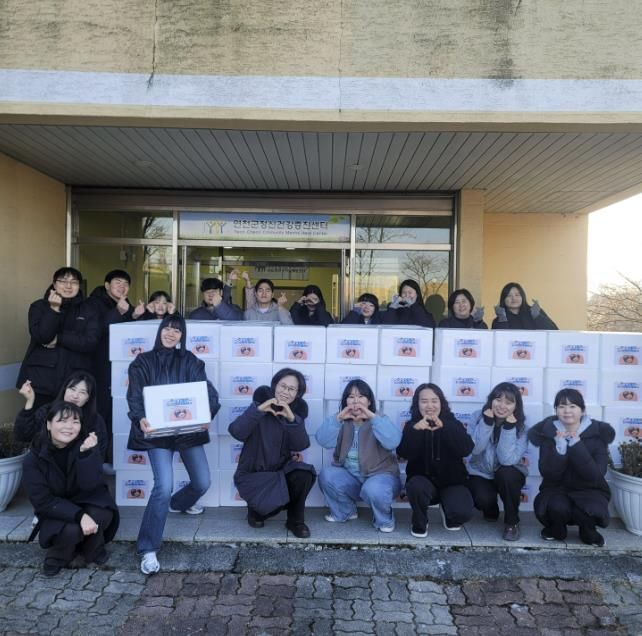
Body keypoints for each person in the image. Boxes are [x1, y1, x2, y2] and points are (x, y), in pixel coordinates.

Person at [126, 313, 220, 575]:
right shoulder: (142, 362)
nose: (170, 333)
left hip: (187, 430)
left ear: (182, 335)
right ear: (159, 331)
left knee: (202, 482)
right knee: (163, 485)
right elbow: (134, 396)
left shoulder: (191, 360)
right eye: (166, 328)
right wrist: (140, 417)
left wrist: (207, 414)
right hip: (157, 432)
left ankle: (178, 503)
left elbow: (207, 392)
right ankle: (148, 548)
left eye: (176, 330)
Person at [22, 401, 119, 576]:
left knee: (101, 513)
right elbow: (43, 501)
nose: (69, 426)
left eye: (75, 421)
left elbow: (91, 486)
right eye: (62, 421)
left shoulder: (85, 445)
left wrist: (86, 454)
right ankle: (58, 556)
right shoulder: (33, 459)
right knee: (71, 529)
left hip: (85, 500)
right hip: (55, 509)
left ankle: (91, 549)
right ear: (49, 424)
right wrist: (80, 516)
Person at [228, 368, 315, 538]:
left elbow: (301, 445)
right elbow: (236, 432)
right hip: (255, 477)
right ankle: (255, 510)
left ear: (297, 394)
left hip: (280, 473)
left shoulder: (295, 415)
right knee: (261, 516)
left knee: (303, 474)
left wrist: (292, 419)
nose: (285, 392)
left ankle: (295, 521)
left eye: (291, 389)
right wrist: (260, 410)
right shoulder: (257, 407)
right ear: (275, 386)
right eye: (283, 386)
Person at [528, 389, 615, 547]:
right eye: (561, 406)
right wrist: (560, 448)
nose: (567, 411)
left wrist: (576, 445)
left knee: (590, 508)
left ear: (582, 410)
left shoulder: (598, 435)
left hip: (590, 489)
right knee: (555, 506)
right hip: (557, 488)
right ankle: (556, 529)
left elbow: (596, 475)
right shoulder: (549, 435)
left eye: (572, 406)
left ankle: (588, 530)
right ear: (556, 410)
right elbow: (547, 473)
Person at [316, 380, 401, 532]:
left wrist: (372, 417)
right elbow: (322, 440)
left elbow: (393, 442)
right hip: (352, 478)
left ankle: (384, 521)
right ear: (345, 401)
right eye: (351, 397)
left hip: (380, 477)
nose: (356, 401)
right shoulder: (341, 421)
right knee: (327, 474)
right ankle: (346, 511)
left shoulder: (380, 419)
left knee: (374, 489)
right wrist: (338, 419)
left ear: (369, 401)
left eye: (361, 396)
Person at [397, 383, 475, 537]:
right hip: (423, 484)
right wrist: (416, 430)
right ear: (417, 404)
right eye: (424, 401)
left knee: (462, 513)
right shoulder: (412, 425)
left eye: (434, 401)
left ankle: (447, 510)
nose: (430, 406)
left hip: (452, 483)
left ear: (441, 403)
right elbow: (403, 453)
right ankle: (420, 520)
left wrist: (444, 427)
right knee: (416, 486)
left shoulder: (454, 424)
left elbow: (466, 449)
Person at [16, 267, 100, 409]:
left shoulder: (89, 309)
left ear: (79, 286)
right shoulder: (39, 307)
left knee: (70, 419)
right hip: (41, 379)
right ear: (54, 284)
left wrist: (59, 338)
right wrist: (53, 310)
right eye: (63, 281)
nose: (68, 286)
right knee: (39, 418)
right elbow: (43, 337)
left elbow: (91, 342)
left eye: (74, 282)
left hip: (74, 382)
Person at [88, 269, 146, 465]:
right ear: (107, 285)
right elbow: (96, 333)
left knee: (118, 412)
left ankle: (114, 459)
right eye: (117, 282)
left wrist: (135, 316)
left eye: (126, 284)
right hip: (100, 367)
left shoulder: (125, 304)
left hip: (121, 370)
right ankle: (98, 460)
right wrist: (118, 312)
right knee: (101, 413)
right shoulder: (93, 304)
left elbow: (130, 337)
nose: (122, 286)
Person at [466, 382, 528, 541]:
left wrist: (508, 428)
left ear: (516, 406)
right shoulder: (477, 417)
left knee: (507, 474)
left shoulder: (521, 427)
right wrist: (487, 423)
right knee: (482, 499)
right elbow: (475, 450)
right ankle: (491, 508)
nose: (502, 406)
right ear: (491, 400)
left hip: (509, 472)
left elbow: (507, 460)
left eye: (508, 402)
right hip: (480, 471)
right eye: (498, 400)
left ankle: (512, 522)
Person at [15, 371, 108, 459]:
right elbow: (23, 435)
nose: (75, 396)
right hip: (46, 464)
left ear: (88, 398)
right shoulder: (48, 410)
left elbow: (99, 455)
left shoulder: (95, 421)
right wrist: (30, 401)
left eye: (82, 392)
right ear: (65, 390)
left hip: (79, 467)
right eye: (72, 389)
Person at [492, 282, 558, 330]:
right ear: (503, 299)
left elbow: (554, 331)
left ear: (523, 297)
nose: (514, 298)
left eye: (517, 295)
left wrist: (537, 316)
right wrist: (502, 318)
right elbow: (499, 340)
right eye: (509, 295)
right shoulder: (500, 318)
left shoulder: (535, 311)